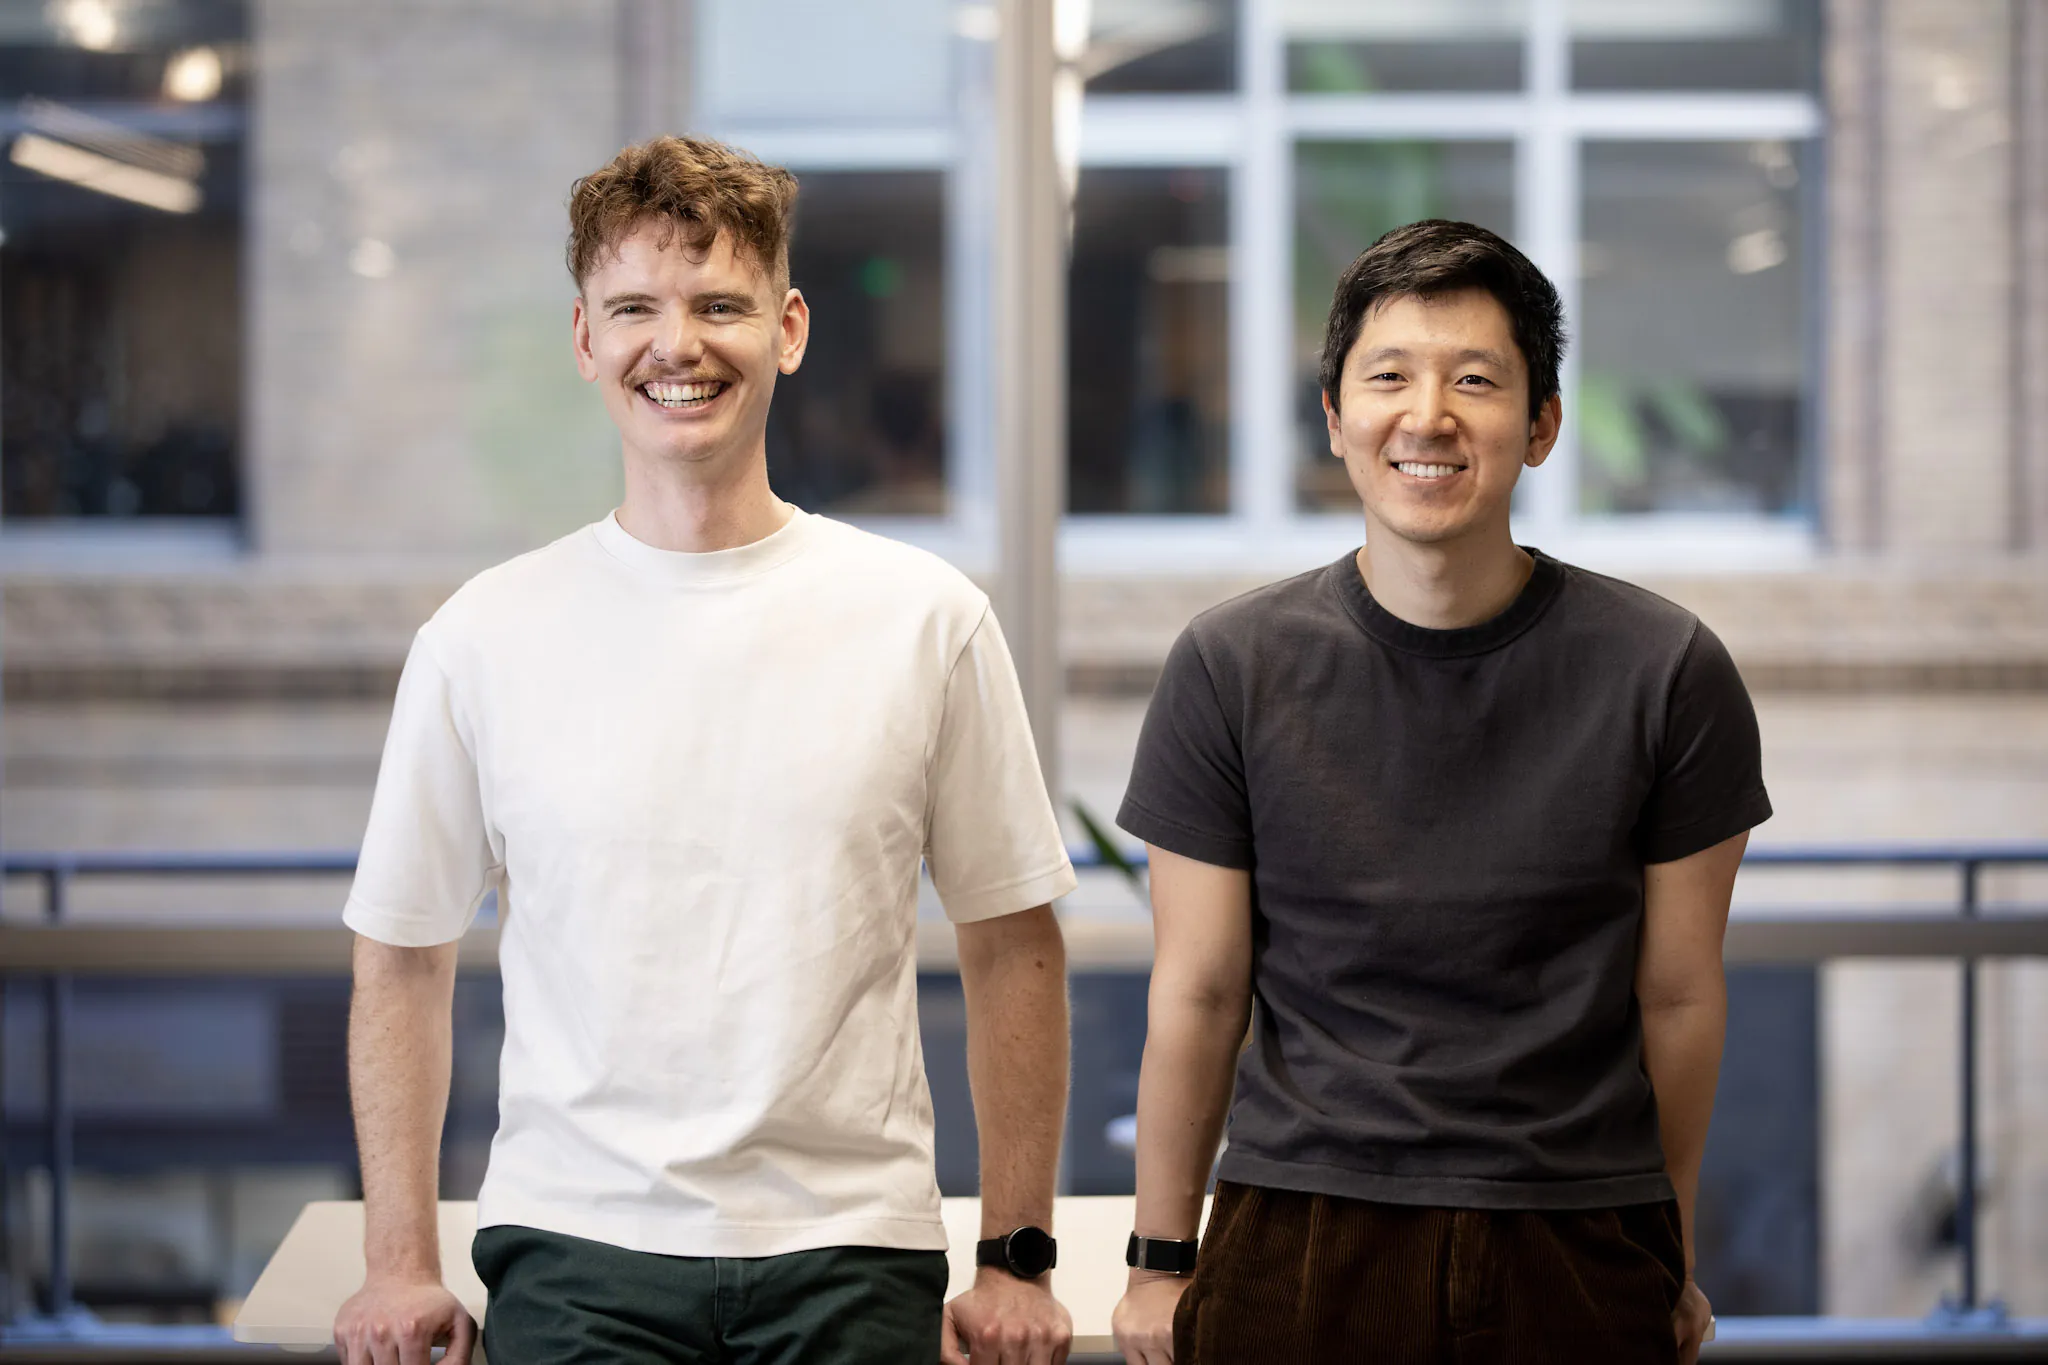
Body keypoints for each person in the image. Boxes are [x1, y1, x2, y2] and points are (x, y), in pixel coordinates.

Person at [332, 135, 1076, 1365]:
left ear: (785, 329)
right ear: (584, 339)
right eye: (634, 308)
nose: (675, 346)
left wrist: (1015, 1256)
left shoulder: (923, 617)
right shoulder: (482, 635)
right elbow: (401, 958)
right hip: (574, 1252)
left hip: (852, 1250)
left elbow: (1012, 947)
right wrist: (399, 1264)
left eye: (717, 305)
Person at [1109, 219, 1771, 1365]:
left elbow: (1676, 998)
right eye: (1388, 377)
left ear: (1541, 425)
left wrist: (1668, 1251)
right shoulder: (1229, 664)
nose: (1428, 416)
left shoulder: (1665, 670)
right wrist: (1159, 1261)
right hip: (1297, 1229)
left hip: (1573, 1233)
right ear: (1333, 416)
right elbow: (1200, 992)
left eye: (1475, 380)